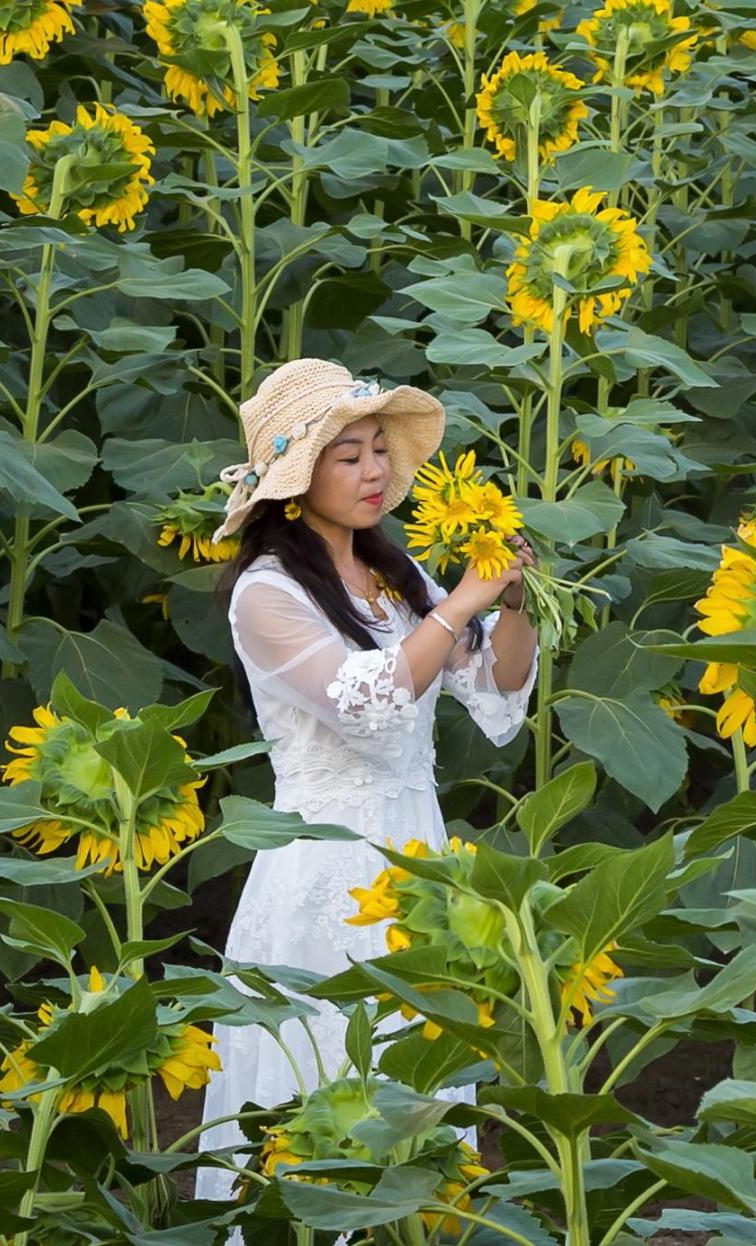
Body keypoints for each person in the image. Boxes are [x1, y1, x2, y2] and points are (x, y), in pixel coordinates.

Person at [194, 359, 538, 1203]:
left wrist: (517, 598)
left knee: (419, 1061)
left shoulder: (394, 573)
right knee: (322, 1074)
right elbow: (370, 701)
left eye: (379, 450)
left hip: (418, 852)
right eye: (347, 456)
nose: (375, 471)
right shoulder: (264, 593)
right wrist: (459, 604)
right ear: (295, 478)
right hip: (326, 861)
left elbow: (492, 685)